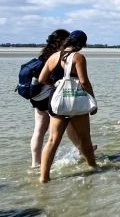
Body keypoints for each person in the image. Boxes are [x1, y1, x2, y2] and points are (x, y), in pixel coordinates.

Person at [38, 30, 97, 182]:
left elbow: (41, 79)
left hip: (57, 102)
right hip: (75, 102)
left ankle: (44, 177)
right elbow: (84, 82)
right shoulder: (78, 57)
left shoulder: (53, 57)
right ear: (81, 44)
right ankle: (93, 167)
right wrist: (93, 101)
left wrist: (57, 85)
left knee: (52, 140)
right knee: (85, 139)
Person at [28, 29, 85, 168]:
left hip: (36, 96)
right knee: (68, 123)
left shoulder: (44, 54)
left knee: (39, 130)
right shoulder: (57, 55)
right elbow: (47, 79)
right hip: (49, 96)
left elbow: (40, 78)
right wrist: (54, 84)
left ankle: (35, 163)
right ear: (62, 41)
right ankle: (82, 149)